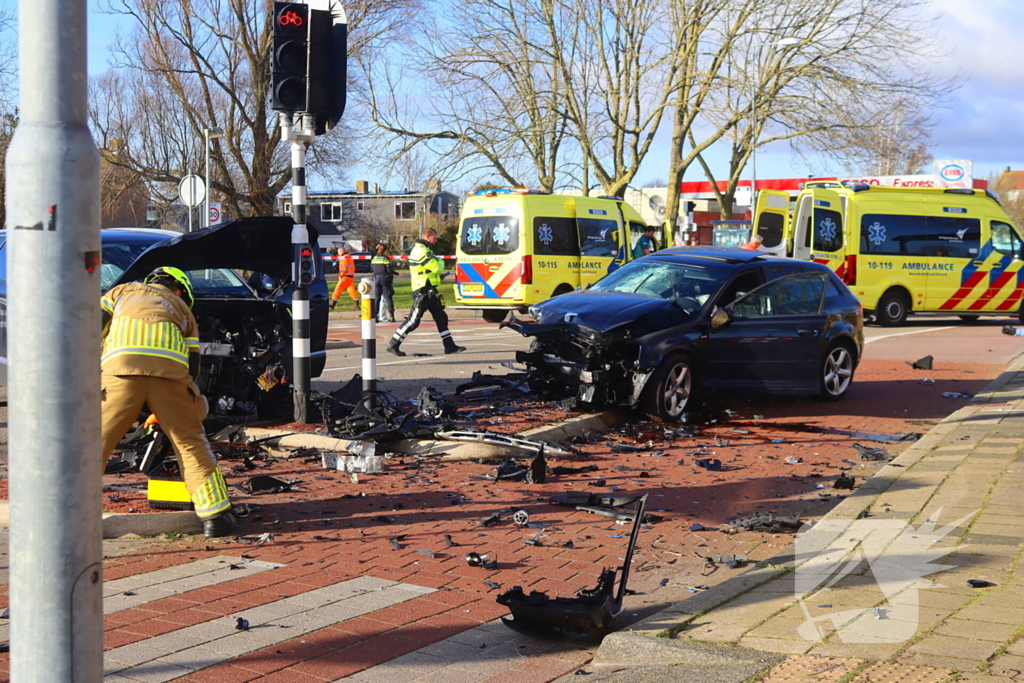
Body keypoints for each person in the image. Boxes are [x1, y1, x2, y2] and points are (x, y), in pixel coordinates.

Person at [100, 267, 235, 538]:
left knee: (93, 444)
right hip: (171, 378)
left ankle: (67, 517)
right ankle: (215, 518)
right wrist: (170, 404)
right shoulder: (183, 309)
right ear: (178, 290)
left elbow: (92, 327)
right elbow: (194, 365)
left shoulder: (120, 292)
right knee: (191, 443)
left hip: (120, 372)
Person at [386, 228, 466, 356]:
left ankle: (449, 346)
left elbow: (430, 270)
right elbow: (436, 267)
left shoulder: (426, 250)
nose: (436, 241)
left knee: (441, 318)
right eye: (434, 238)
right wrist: (440, 262)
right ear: (428, 237)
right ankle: (393, 344)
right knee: (413, 320)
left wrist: (438, 276)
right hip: (422, 290)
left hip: (429, 289)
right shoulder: (421, 251)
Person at [371, 243, 396, 323]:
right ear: (385, 250)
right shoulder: (385, 258)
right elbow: (389, 270)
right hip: (384, 278)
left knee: (377, 298)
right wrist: (396, 274)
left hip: (376, 278)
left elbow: (372, 268)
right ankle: (391, 316)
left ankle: (376, 317)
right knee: (388, 297)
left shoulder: (374, 258)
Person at [330, 245, 359, 310]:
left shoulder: (343, 258)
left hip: (344, 277)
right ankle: (357, 304)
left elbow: (344, 268)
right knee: (352, 291)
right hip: (350, 277)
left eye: (338, 252)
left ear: (340, 252)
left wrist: (341, 275)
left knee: (337, 290)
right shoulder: (349, 257)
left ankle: (332, 304)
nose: (338, 254)